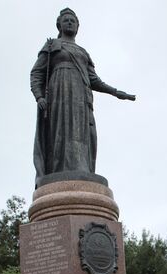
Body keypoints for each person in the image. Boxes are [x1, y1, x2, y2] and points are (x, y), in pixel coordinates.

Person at [30, 8, 135, 182]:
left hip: (81, 97)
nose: (70, 22)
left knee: (81, 134)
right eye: (66, 20)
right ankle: (58, 170)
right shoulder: (51, 46)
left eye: (73, 20)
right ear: (59, 25)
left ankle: (81, 168)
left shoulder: (83, 52)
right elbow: (36, 74)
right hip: (58, 96)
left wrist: (116, 92)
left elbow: (94, 80)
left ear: (78, 26)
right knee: (60, 132)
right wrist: (39, 96)